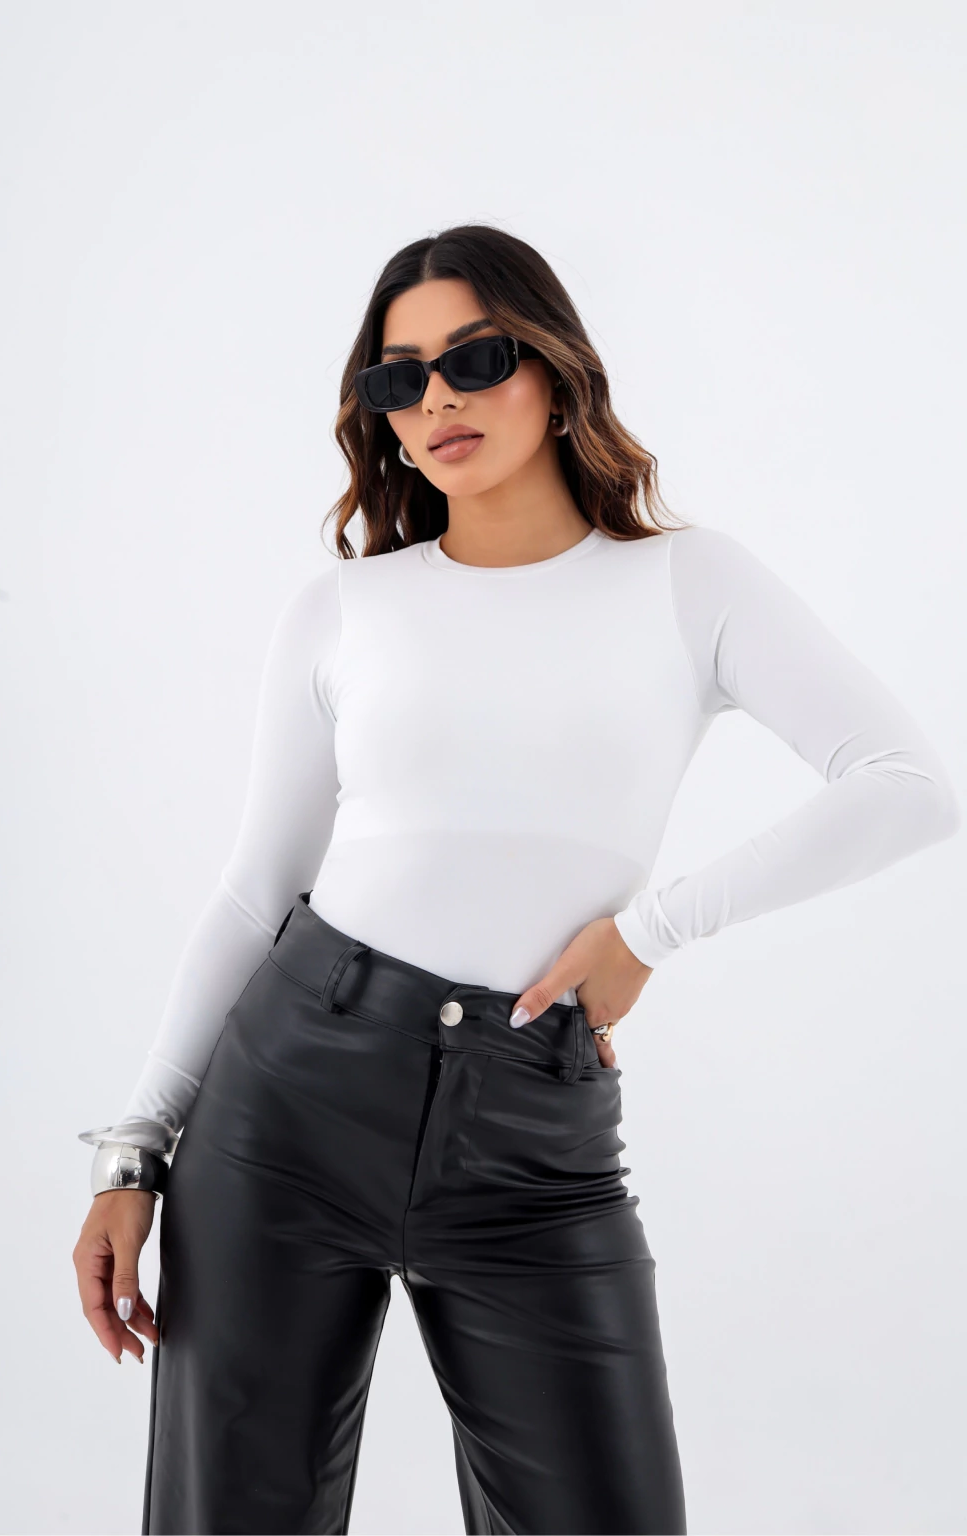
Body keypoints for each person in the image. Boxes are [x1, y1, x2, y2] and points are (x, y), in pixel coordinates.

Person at [72, 223, 960, 1536]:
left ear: (555, 369)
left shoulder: (689, 582)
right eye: (400, 378)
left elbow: (907, 784)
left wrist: (649, 934)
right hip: (285, 1112)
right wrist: (135, 1151)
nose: (438, 398)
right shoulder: (344, 610)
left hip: (533, 1136)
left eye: (475, 359)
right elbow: (258, 891)